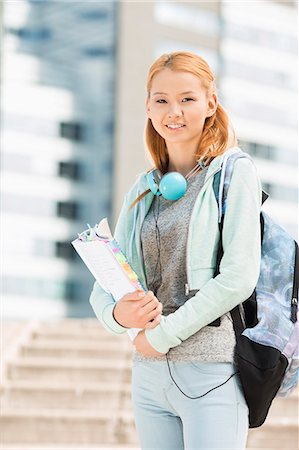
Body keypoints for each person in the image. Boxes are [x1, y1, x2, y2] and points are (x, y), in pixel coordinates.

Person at [89, 51, 262, 450]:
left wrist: (163, 334)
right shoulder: (142, 188)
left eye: (187, 98)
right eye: (162, 100)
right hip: (149, 377)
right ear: (148, 107)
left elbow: (238, 276)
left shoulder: (234, 173)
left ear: (210, 103)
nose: (174, 111)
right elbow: (106, 280)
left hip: (211, 371)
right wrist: (118, 314)